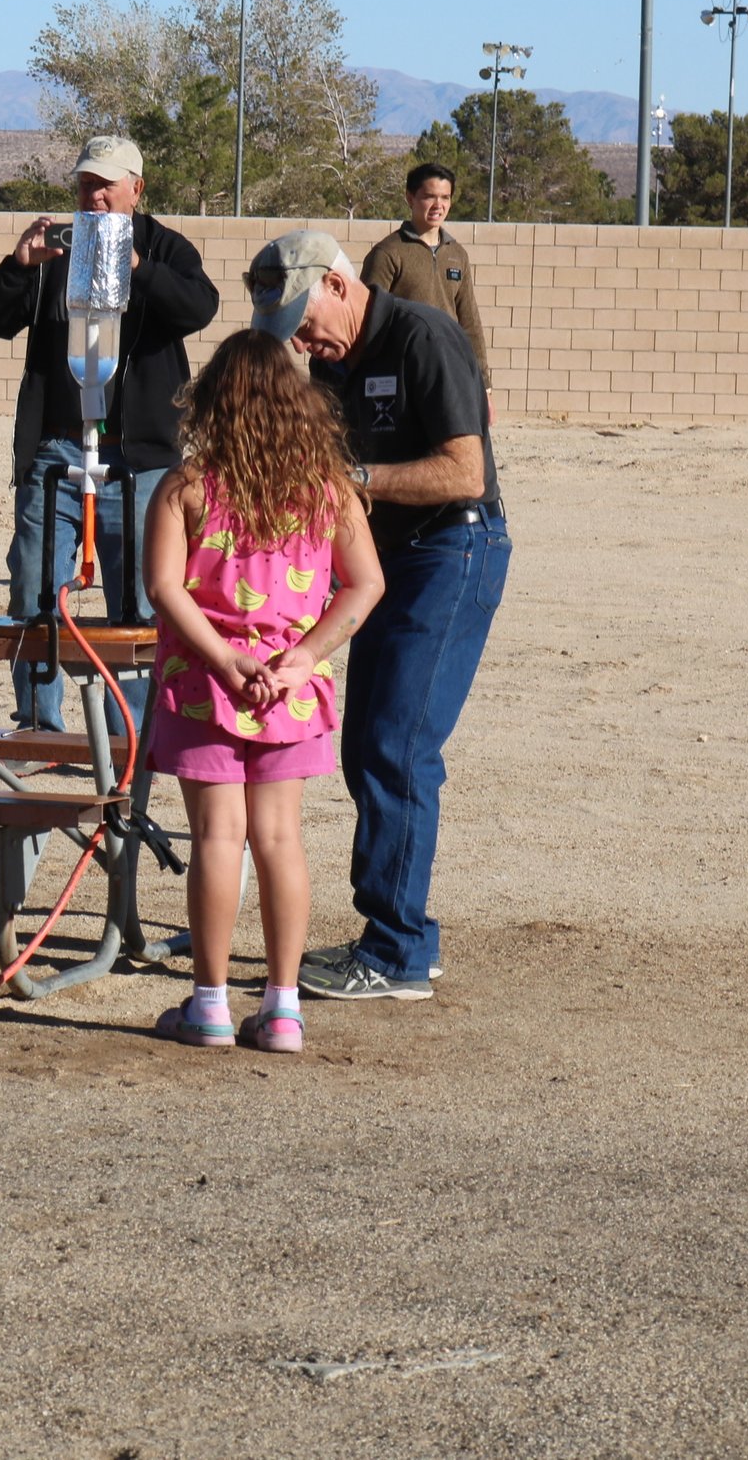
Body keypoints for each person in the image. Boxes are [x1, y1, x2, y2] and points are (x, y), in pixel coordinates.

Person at [248, 230, 511, 1001]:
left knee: (398, 745)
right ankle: (402, 936)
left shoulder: (424, 335)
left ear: (337, 283)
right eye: (291, 334)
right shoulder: (334, 364)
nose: (302, 343)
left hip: (451, 552)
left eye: (304, 322)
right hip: (388, 559)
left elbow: (465, 470)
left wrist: (356, 479)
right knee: (365, 742)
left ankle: (395, 953)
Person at [144, 330, 383, 1053]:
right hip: (291, 691)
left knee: (217, 837)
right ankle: (282, 1007)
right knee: (280, 838)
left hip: (202, 684)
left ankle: (210, 1004)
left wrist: (222, 658)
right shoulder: (328, 490)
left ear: (211, 399)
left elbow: (163, 587)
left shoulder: (185, 487)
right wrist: (304, 658)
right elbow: (366, 584)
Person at [0, 135, 219, 731]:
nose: (95, 196)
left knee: (138, 603)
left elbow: (198, 307)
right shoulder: (57, 247)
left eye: (106, 185)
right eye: (86, 184)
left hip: (139, 460)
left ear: (136, 188)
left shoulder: (165, 246)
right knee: (36, 590)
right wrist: (18, 267)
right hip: (55, 448)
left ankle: (127, 739)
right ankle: (38, 728)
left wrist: (138, 266)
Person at [360, 161, 490, 384]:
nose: (438, 205)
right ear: (410, 198)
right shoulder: (388, 252)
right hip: (404, 373)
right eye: (430, 196)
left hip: (450, 371)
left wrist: (483, 384)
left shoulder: (457, 254)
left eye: (445, 197)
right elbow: (366, 318)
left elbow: (470, 323)